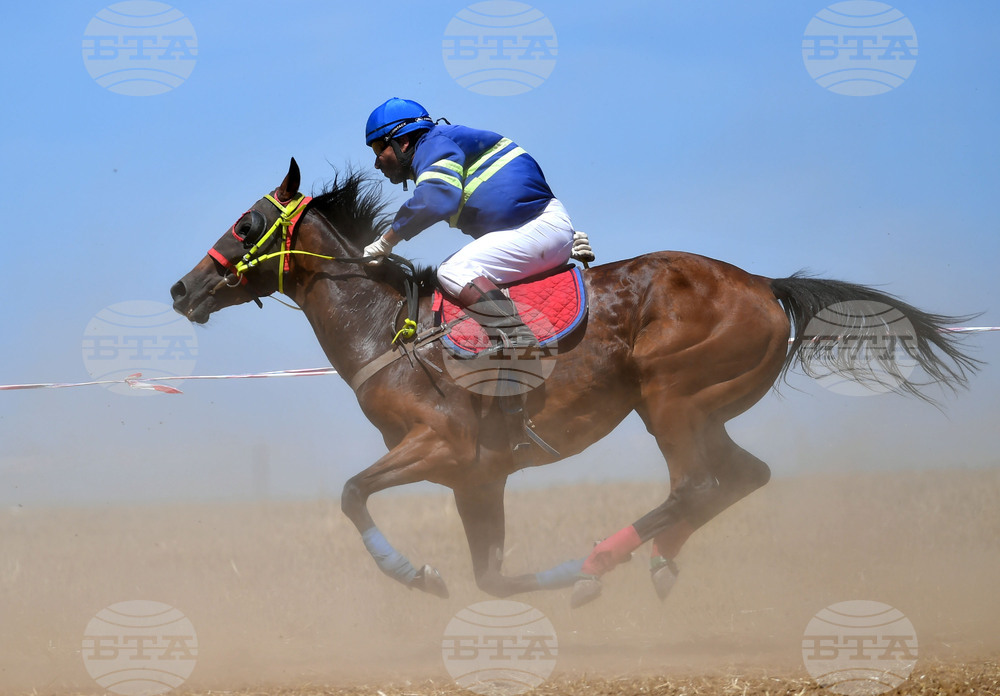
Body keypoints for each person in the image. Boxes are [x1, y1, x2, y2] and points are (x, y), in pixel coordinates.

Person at [362, 97, 581, 351]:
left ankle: (520, 344)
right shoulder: (443, 143)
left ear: (403, 141)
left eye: (378, 148)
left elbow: (434, 200)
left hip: (537, 228)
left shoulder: (432, 144)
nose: (376, 162)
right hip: (538, 228)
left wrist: (386, 242)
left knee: (453, 270)